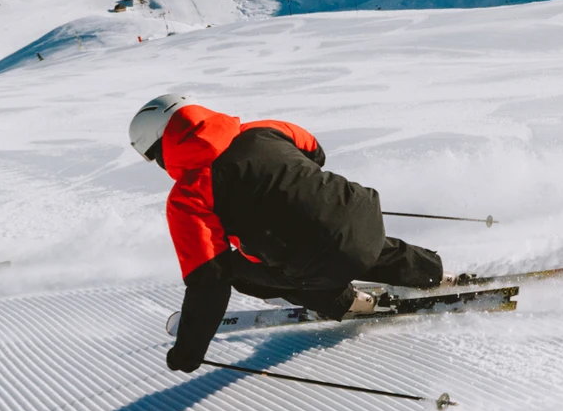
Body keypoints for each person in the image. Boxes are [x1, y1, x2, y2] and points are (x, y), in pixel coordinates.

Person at [131, 95, 445, 374]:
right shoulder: (262, 129)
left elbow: (210, 283)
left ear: (161, 149)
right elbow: (315, 152)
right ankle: (431, 270)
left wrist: (188, 354)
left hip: (318, 261)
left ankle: (348, 302)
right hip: (364, 214)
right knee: (334, 230)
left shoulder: (188, 197)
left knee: (244, 270)